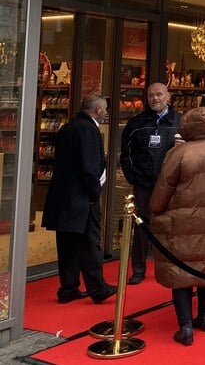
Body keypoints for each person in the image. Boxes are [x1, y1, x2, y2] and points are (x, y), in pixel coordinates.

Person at [150, 107, 205, 345]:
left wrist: (155, 210)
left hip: (182, 220)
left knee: (180, 270)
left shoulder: (179, 154)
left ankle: (185, 326)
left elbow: (162, 192)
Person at [42, 95, 117, 305]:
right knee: (89, 243)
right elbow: (89, 166)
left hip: (62, 196)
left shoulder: (68, 128)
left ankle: (68, 287)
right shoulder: (89, 130)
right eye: (105, 109)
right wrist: (94, 193)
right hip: (81, 197)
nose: (106, 113)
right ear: (98, 110)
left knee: (67, 244)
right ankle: (97, 287)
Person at [119, 83, 181, 284]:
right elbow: (126, 153)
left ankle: (172, 266)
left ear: (168, 97)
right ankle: (138, 269)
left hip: (171, 185)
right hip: (143, 183)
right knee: (141, 226)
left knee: (170, 226)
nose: (155, 98)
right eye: (151, 95)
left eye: (159, 94)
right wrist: (133, 177)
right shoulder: (136, 123)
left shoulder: (181, 122)